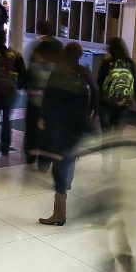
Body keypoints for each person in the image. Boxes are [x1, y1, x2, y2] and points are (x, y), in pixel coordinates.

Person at [38, 42, 98, 226]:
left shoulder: (58, 72)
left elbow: (48, 98)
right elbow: (96, 93)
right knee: (68, 158)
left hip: (59, 125)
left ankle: (59, 211)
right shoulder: (84, 72)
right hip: (78, 124)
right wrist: (92, 112)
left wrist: (43, 118)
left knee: (59, 164)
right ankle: (60, 208)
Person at [97, 37, 136, 171]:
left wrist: (95, 106)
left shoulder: (106, 63)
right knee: (117, 137)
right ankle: (116, 165)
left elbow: (99, 85)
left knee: (106, 137)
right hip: (123, 106)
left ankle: (105, 165)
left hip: (106, 106)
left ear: (110, 49)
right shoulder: (130, 64)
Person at [23, 23, 63, 167]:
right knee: (48, 130)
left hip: (35, 101)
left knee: (32, 129)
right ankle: (44, 161)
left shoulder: (33, 47)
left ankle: (31, 155)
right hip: (52, 103)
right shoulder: (59, 47)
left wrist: (28, 89)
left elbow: (24, 78)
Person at [0, 33, 27, 155]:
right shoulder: (15, 55)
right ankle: (5, 147)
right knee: (6, 118)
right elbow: (23, 73)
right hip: (10, 91)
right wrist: (18, 86)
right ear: (6, 40)